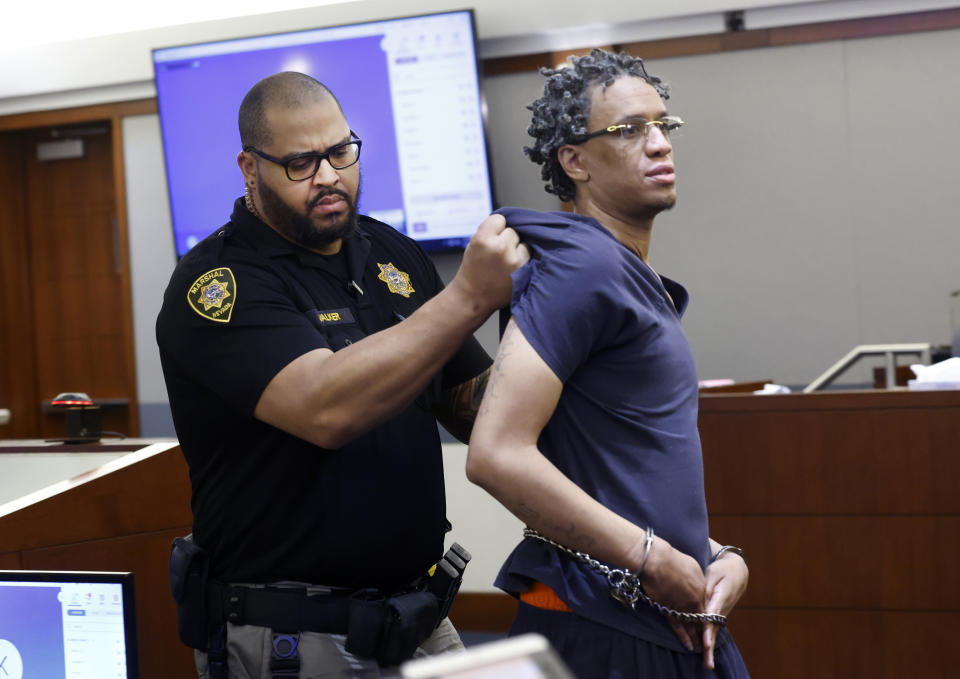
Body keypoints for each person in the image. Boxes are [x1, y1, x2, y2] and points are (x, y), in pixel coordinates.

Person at [156, 71, 528, 678]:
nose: (329, 175)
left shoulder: (393, 253)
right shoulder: (217, 285)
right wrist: (467, 298)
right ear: (250, 169)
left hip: (420, 618)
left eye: (339, 152)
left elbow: (476, 407)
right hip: (296, 640)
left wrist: (558, 333)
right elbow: (326, 411)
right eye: (300, 162)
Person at [466, 49, 751, 678]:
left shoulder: (622, 271)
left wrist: (715, 554)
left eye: (662, 126)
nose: (658, 144)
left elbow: (617, 466)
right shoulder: (584, 267)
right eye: (628, 130)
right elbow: (495, 453)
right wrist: (649, 556)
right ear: (573, 161)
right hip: (603, 620)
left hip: (661, 615)